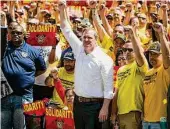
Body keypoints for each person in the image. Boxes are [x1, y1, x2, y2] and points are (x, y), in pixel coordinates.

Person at [59, 1, 114, 129]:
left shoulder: (104, 59)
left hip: (95, 106)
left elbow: (108, 89)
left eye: (90, 38)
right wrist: (62, 10)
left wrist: (105, 108)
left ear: (96, 40)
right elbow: (66, 30)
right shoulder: (79, 50)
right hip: (78, 104)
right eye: (84, 37)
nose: (86, 40)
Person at [1, 24, 46, 129]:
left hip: (24, 96)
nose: (16, 34)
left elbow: (42, 68)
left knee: (20, 126)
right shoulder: (3, 48)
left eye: (19, 33)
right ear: (9, 34)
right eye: (13, 32)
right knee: (3, 126)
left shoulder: (33, 51)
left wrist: (28, 77)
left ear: (24, 34)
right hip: (4, 96)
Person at [112, 25, 149, 129]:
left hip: (134, 112)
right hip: (120, 114)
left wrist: (133, 37)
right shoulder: (120, 69)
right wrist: (114, 113)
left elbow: (140, 55)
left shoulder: (140, 65)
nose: (127, 52)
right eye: (125, 50)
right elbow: (116, 93)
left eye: (130, 50)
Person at [142, 23, 170, 129]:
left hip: (160, 121)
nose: (152, 57)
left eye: (155, 54)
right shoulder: (147, 73)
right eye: (150, 54)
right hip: (146, 121)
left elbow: (167, 56)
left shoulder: (165, 69)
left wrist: (161, 34)